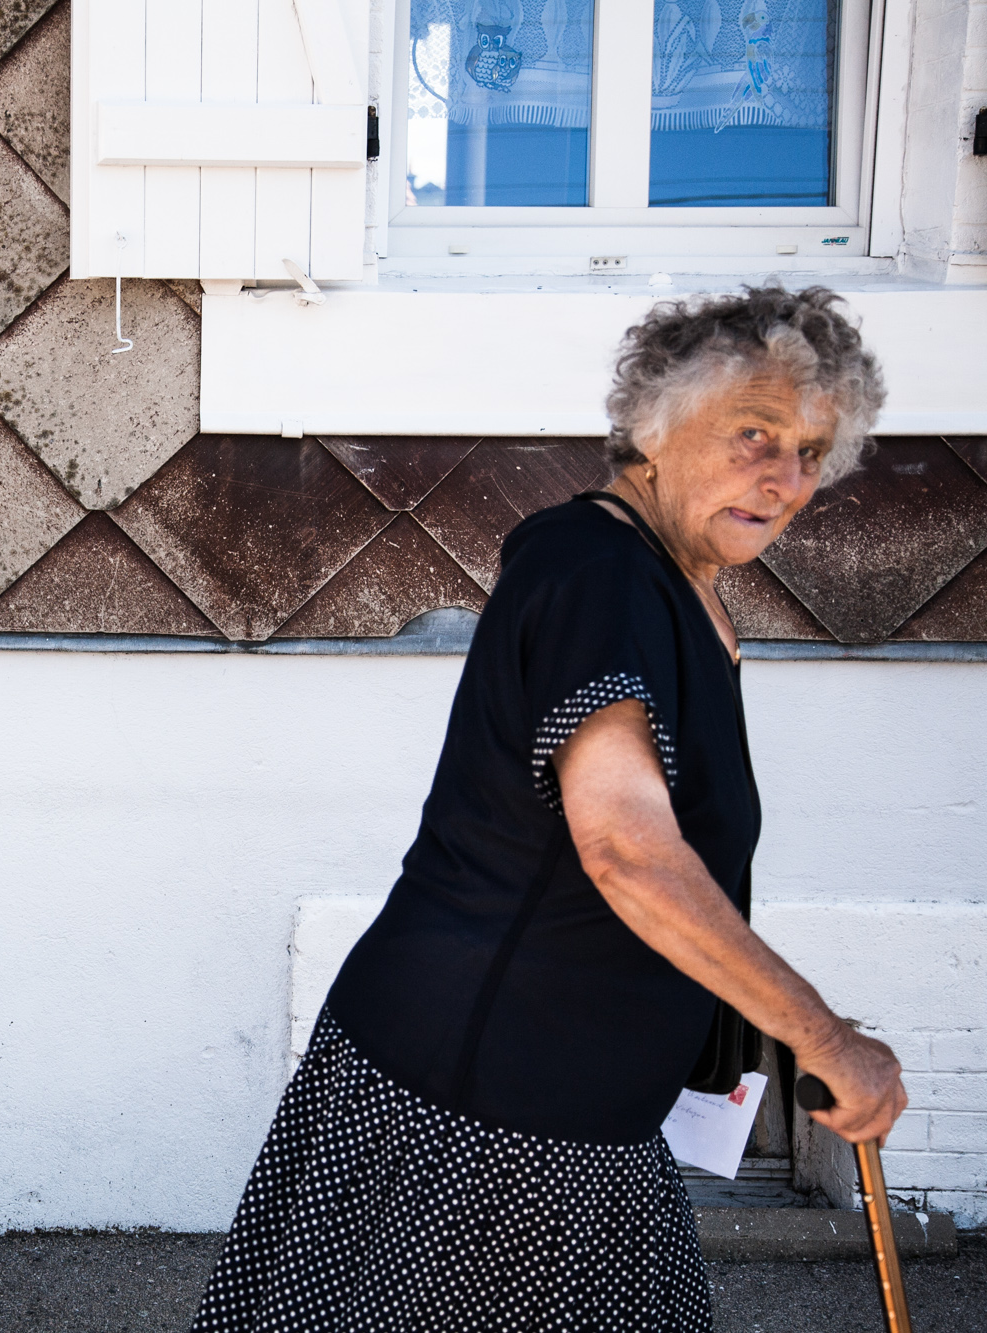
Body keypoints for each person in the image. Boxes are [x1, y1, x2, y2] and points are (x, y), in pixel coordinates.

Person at [190, 286, 910, 1332]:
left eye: (808, 449)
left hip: (568, 1098)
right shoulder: (599, 573)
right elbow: (624, 848)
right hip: (481, 1111)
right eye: (752, 434)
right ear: (654, 427)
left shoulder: (672, 585)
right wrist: (821, 1037)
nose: (785, 477)